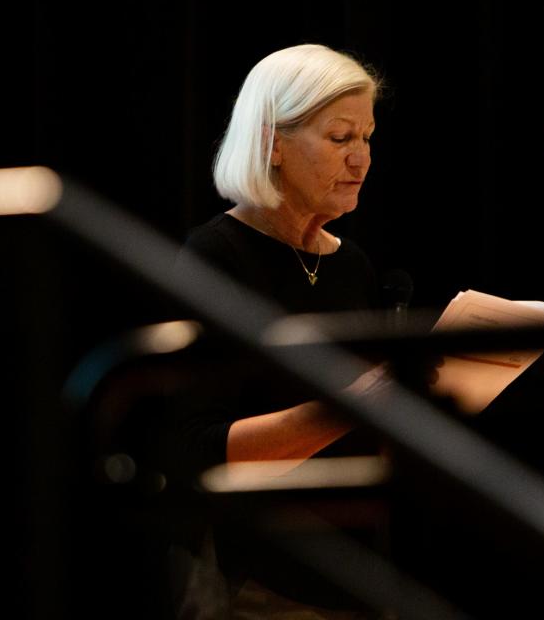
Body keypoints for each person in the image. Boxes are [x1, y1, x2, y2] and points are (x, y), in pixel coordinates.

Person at [168, 43, 393, 620]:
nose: (361, 160)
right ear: (271, 143)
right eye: (341, 138)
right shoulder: (214, 258)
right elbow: (197, 450)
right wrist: (360, 402)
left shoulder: (353, 266)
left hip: (360, 572)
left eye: (366, 138)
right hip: (259, 583)